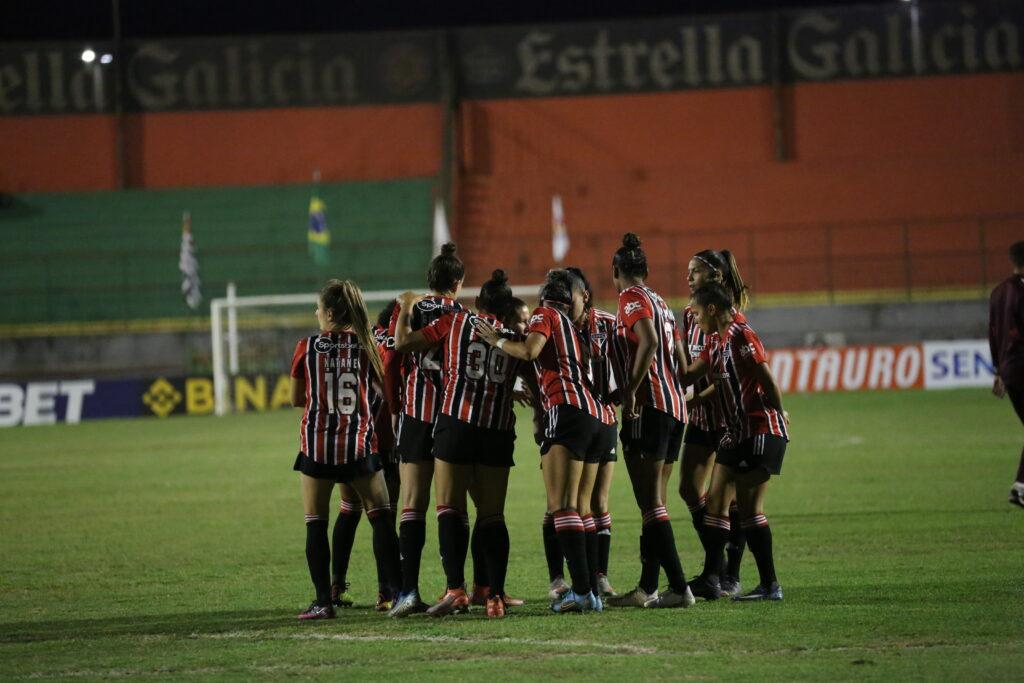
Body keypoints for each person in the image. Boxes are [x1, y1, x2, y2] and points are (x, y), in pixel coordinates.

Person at [394, 270, 529, 618]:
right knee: (492, 515)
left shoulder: (455, 323)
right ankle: (495, 595)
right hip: (497, 431)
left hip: (456, 423)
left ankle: (456, 590)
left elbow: (406, 344)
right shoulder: (513, 337)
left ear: (478, 302)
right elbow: (532, 376)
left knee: (449, 508)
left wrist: (407, 308)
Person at [474, 269, 605, 613]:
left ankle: (581, 593)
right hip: (594, 416)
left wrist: (498, 341)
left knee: (561, 506)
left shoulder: (546, 316)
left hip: (568, 410)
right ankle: (590, 588)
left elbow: (531, 351)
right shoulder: (573, 328)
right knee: (580, 507)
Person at [289, 279, 402, 619]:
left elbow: (297, 399)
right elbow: (388, 396)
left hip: (317, 447)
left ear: (331, 313)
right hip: (359, 446)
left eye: (319, 309)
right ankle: (396, 595)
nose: (316, 314)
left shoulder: (306, 347)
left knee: (316, 523)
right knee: (381, 519)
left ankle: (324, 601)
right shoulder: (368, 347)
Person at [682, 282, 789, 601]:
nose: (695, 320)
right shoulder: (714, 341)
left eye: (698, 313)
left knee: (748, 507)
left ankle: (770, 585)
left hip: (757, 429)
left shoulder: (741, 334)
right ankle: (712, 579)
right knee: (715, 503)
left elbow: (765, 378)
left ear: (712, 309)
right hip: (735, 434)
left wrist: (780, 415)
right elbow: (689, 374)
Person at [605, 232, 694, 609]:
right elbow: (680, 358)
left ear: (616, 271)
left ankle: (678, 587)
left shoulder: (631, 299)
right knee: (656, 503)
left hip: (651, 407)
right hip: (676, 408)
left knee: (649, 502)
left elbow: (650, 342)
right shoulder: (660, 300)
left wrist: (629, 391)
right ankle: (648, 587)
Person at [386, 243, 466, 614]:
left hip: (416, 414)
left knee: (412, 504)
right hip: (453, 416)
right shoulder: (463, 314)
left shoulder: (413, 308)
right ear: (458, 283)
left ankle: (408, 592)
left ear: (429, 281)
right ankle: (456, 588)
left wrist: (392, 405)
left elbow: (392, 357)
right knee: (451, 504)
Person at [678, 250, 750, 598]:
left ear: (715, 276)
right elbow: (688, 365)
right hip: (699, 415)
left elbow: (724, 373)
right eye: (688, 271)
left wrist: (696, 397)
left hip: (725, 417)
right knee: (689, 490)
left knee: (727, 500)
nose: (689, 277)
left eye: (696, 272)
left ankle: (727, 574)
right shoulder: (688, 315)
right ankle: (716, 567)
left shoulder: (727, 316)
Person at [567, 266, 622, 599]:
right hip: (570, 422)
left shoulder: (608, 324)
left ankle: (598, 577)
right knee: (568, 504)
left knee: (597, 501)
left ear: (583, 296)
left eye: (567, 297)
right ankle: (567, 578)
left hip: (604, 419)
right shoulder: (554, 326)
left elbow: (624, 365)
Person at [989, 240, 1024, 508]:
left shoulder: (998, 292)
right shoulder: (1021, 292)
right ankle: (1021, 487)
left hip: (1010, 370)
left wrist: (999, 370)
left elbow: (994, 333)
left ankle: (1021, 486)